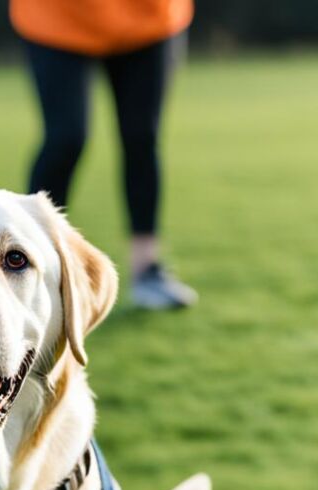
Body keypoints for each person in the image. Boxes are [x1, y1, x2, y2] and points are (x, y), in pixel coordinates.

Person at [11, 0, 198, 310]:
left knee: (141, 137)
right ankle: (27, 267)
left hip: (149, 16)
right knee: (65, 139)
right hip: (56, 17)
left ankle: (147, 270)